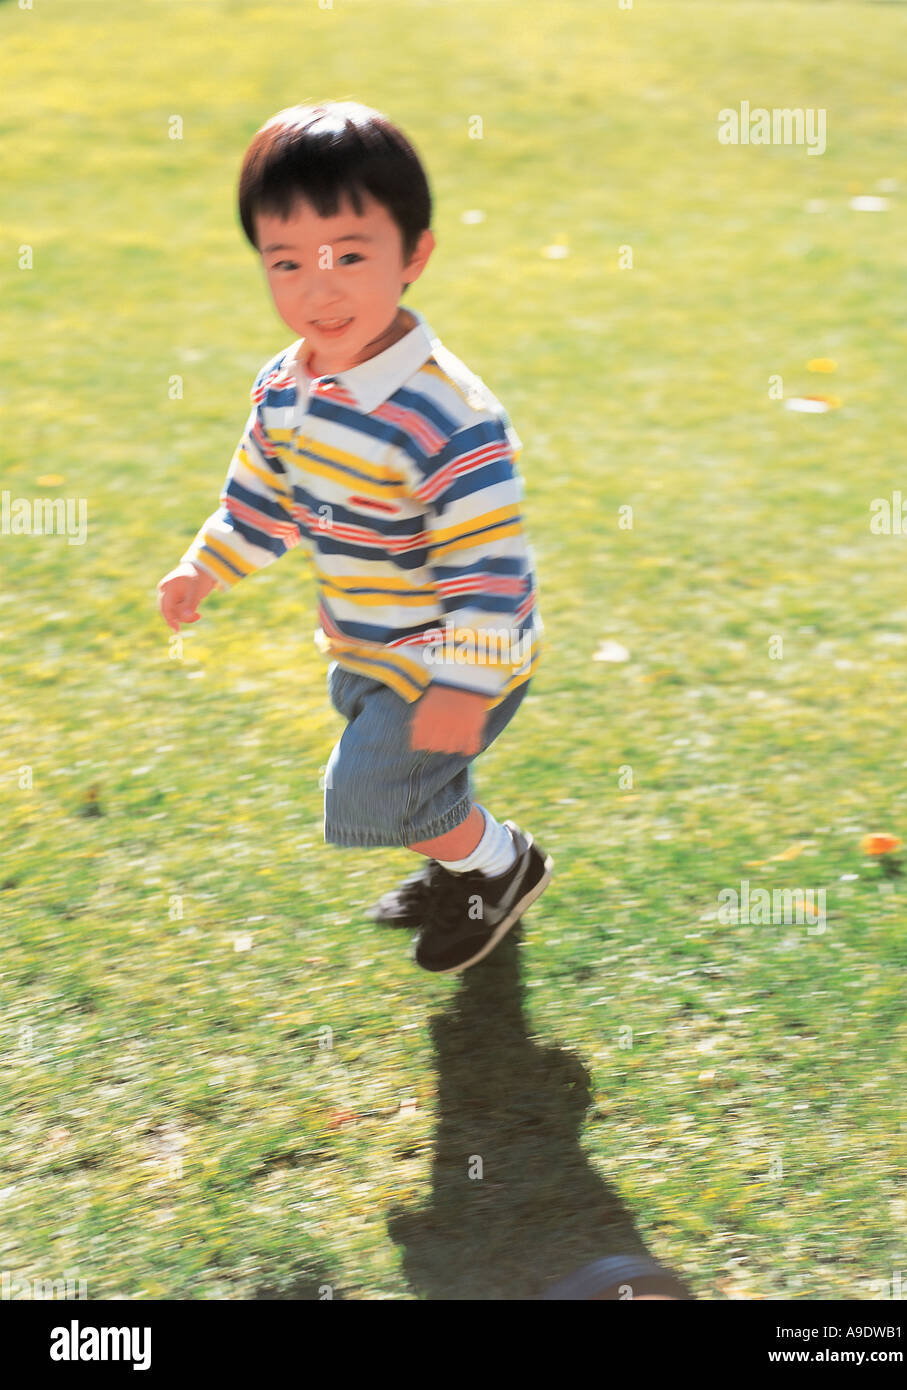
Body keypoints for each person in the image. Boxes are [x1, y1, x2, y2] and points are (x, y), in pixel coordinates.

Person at [157, 101, 552, 974]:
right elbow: (262, 495)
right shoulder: (287, 385)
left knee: (373, 788)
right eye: (286, 262)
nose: (317, 288)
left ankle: (497, 866)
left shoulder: (446, 415)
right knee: (411, 787)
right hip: (369, 642)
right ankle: (457, 862)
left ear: (414, 255)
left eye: (349, 256)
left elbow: (490, 568)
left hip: (453, 657)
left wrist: (463, 683)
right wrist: (205, 565)